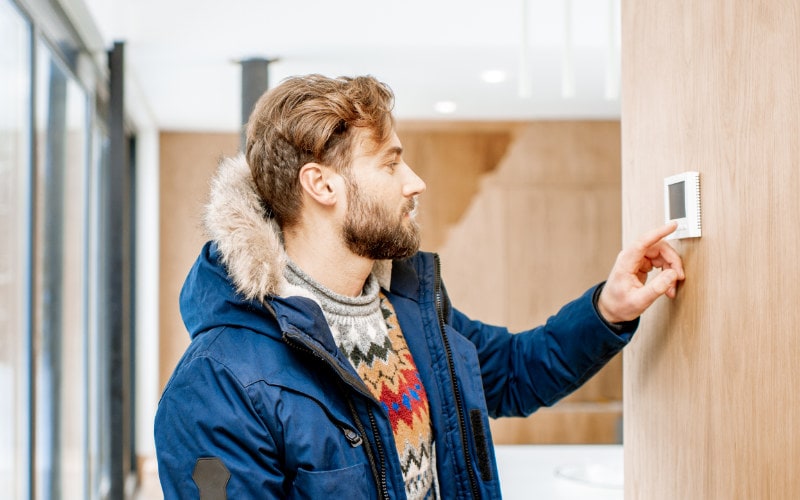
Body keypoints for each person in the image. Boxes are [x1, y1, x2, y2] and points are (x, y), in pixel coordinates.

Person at [154, 74, 684, 499]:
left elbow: (516, 373)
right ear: (321, 184)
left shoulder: (410, 308)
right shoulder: (215, 383)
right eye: (390, 163)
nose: (415, 182)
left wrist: (609, 309)